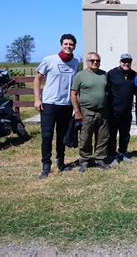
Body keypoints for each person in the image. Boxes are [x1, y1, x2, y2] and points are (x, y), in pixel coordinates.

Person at [34, 34, 79, 179]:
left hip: (65, 105)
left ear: (74, 46)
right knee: (47, 136)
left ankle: (61, 162)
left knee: (62, 137)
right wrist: (37, 99)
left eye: (71, 44)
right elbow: (37, 79)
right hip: (49, 104)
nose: (68, 46)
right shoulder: (49, 60)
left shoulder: (76, 62)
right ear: (61, 45)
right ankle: (46, 166)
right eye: (65, 44)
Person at [71, 52, 111, 172]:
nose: (95, 62)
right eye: (92, 60)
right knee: (85, 136)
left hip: (103, 111)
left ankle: (100, 159)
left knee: (103, 136)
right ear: (87, 62)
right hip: (87, 111)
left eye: (97, 61)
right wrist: (77, 111)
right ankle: (85, 160)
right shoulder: (80, 75)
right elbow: (74, 93)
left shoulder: (104, 74)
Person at [107, 53, 137, 165]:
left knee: (125, 134)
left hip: (127, 111)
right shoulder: (111, 74)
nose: (126, 63)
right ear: (120, 62)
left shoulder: (134, 74)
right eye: (124, 61)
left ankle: (123, 153)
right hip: (114, 110)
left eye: (128, 61)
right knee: (112, 134)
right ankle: (111, 155)